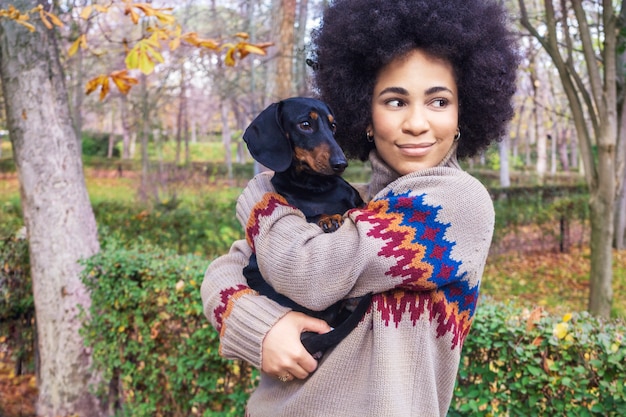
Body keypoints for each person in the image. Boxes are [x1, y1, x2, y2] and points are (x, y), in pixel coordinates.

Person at [201, 0, 519, 415]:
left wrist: (262, 196)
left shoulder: (457, 203)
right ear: (364, 115)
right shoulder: (355, 204)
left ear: (463, 112)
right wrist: (261, 328)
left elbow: (310, 273)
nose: (417, 123)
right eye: (395, 101)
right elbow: (225, 270)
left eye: (439, 101)